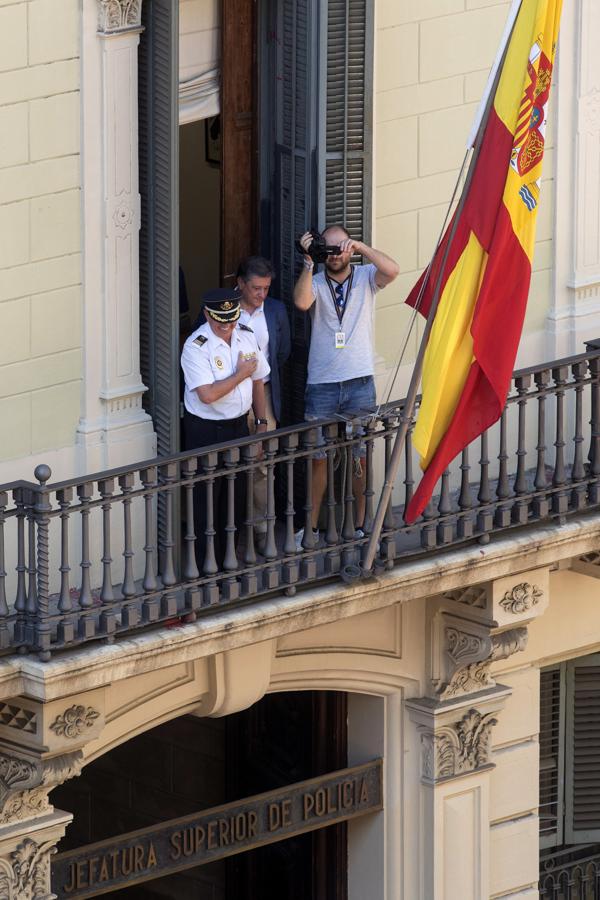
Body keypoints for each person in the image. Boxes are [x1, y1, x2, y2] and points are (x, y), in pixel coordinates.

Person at [293, 226, 400, 548]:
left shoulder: (367, 275)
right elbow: (300, 303)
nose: (336, 254)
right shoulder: (315, 279)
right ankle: (309, 530)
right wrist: (310, 261)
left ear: (350, 248)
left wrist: (362, 247)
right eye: (330, 248)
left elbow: (392, 270)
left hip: (358, 382)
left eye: (341, 248)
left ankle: (361, 524)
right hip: (322, 384)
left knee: (359, 457)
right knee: (319, 458)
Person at [181, 288, 270, 571]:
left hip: (238, 427)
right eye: (221, 321)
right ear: (208, 315)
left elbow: (258, 382)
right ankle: (206, 572)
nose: (227, 326)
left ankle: (230, 567)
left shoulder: (246, 334)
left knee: (235, 500)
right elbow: (207, 395)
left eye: (231, 320)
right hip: (205, 432)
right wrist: (239, 374)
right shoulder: (196, 346)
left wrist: (260, 425)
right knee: (206, 506)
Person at [237, 256, 291, 552]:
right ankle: (231, 533)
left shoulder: (276, 310)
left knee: (263, 464)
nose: (261, 295)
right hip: (230, 398)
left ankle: (262, 530)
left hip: (265, 394)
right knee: (231, 463)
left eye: (266, 288)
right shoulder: (224, 310)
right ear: (241, 284)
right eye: (256, 288)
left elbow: (281, 352)